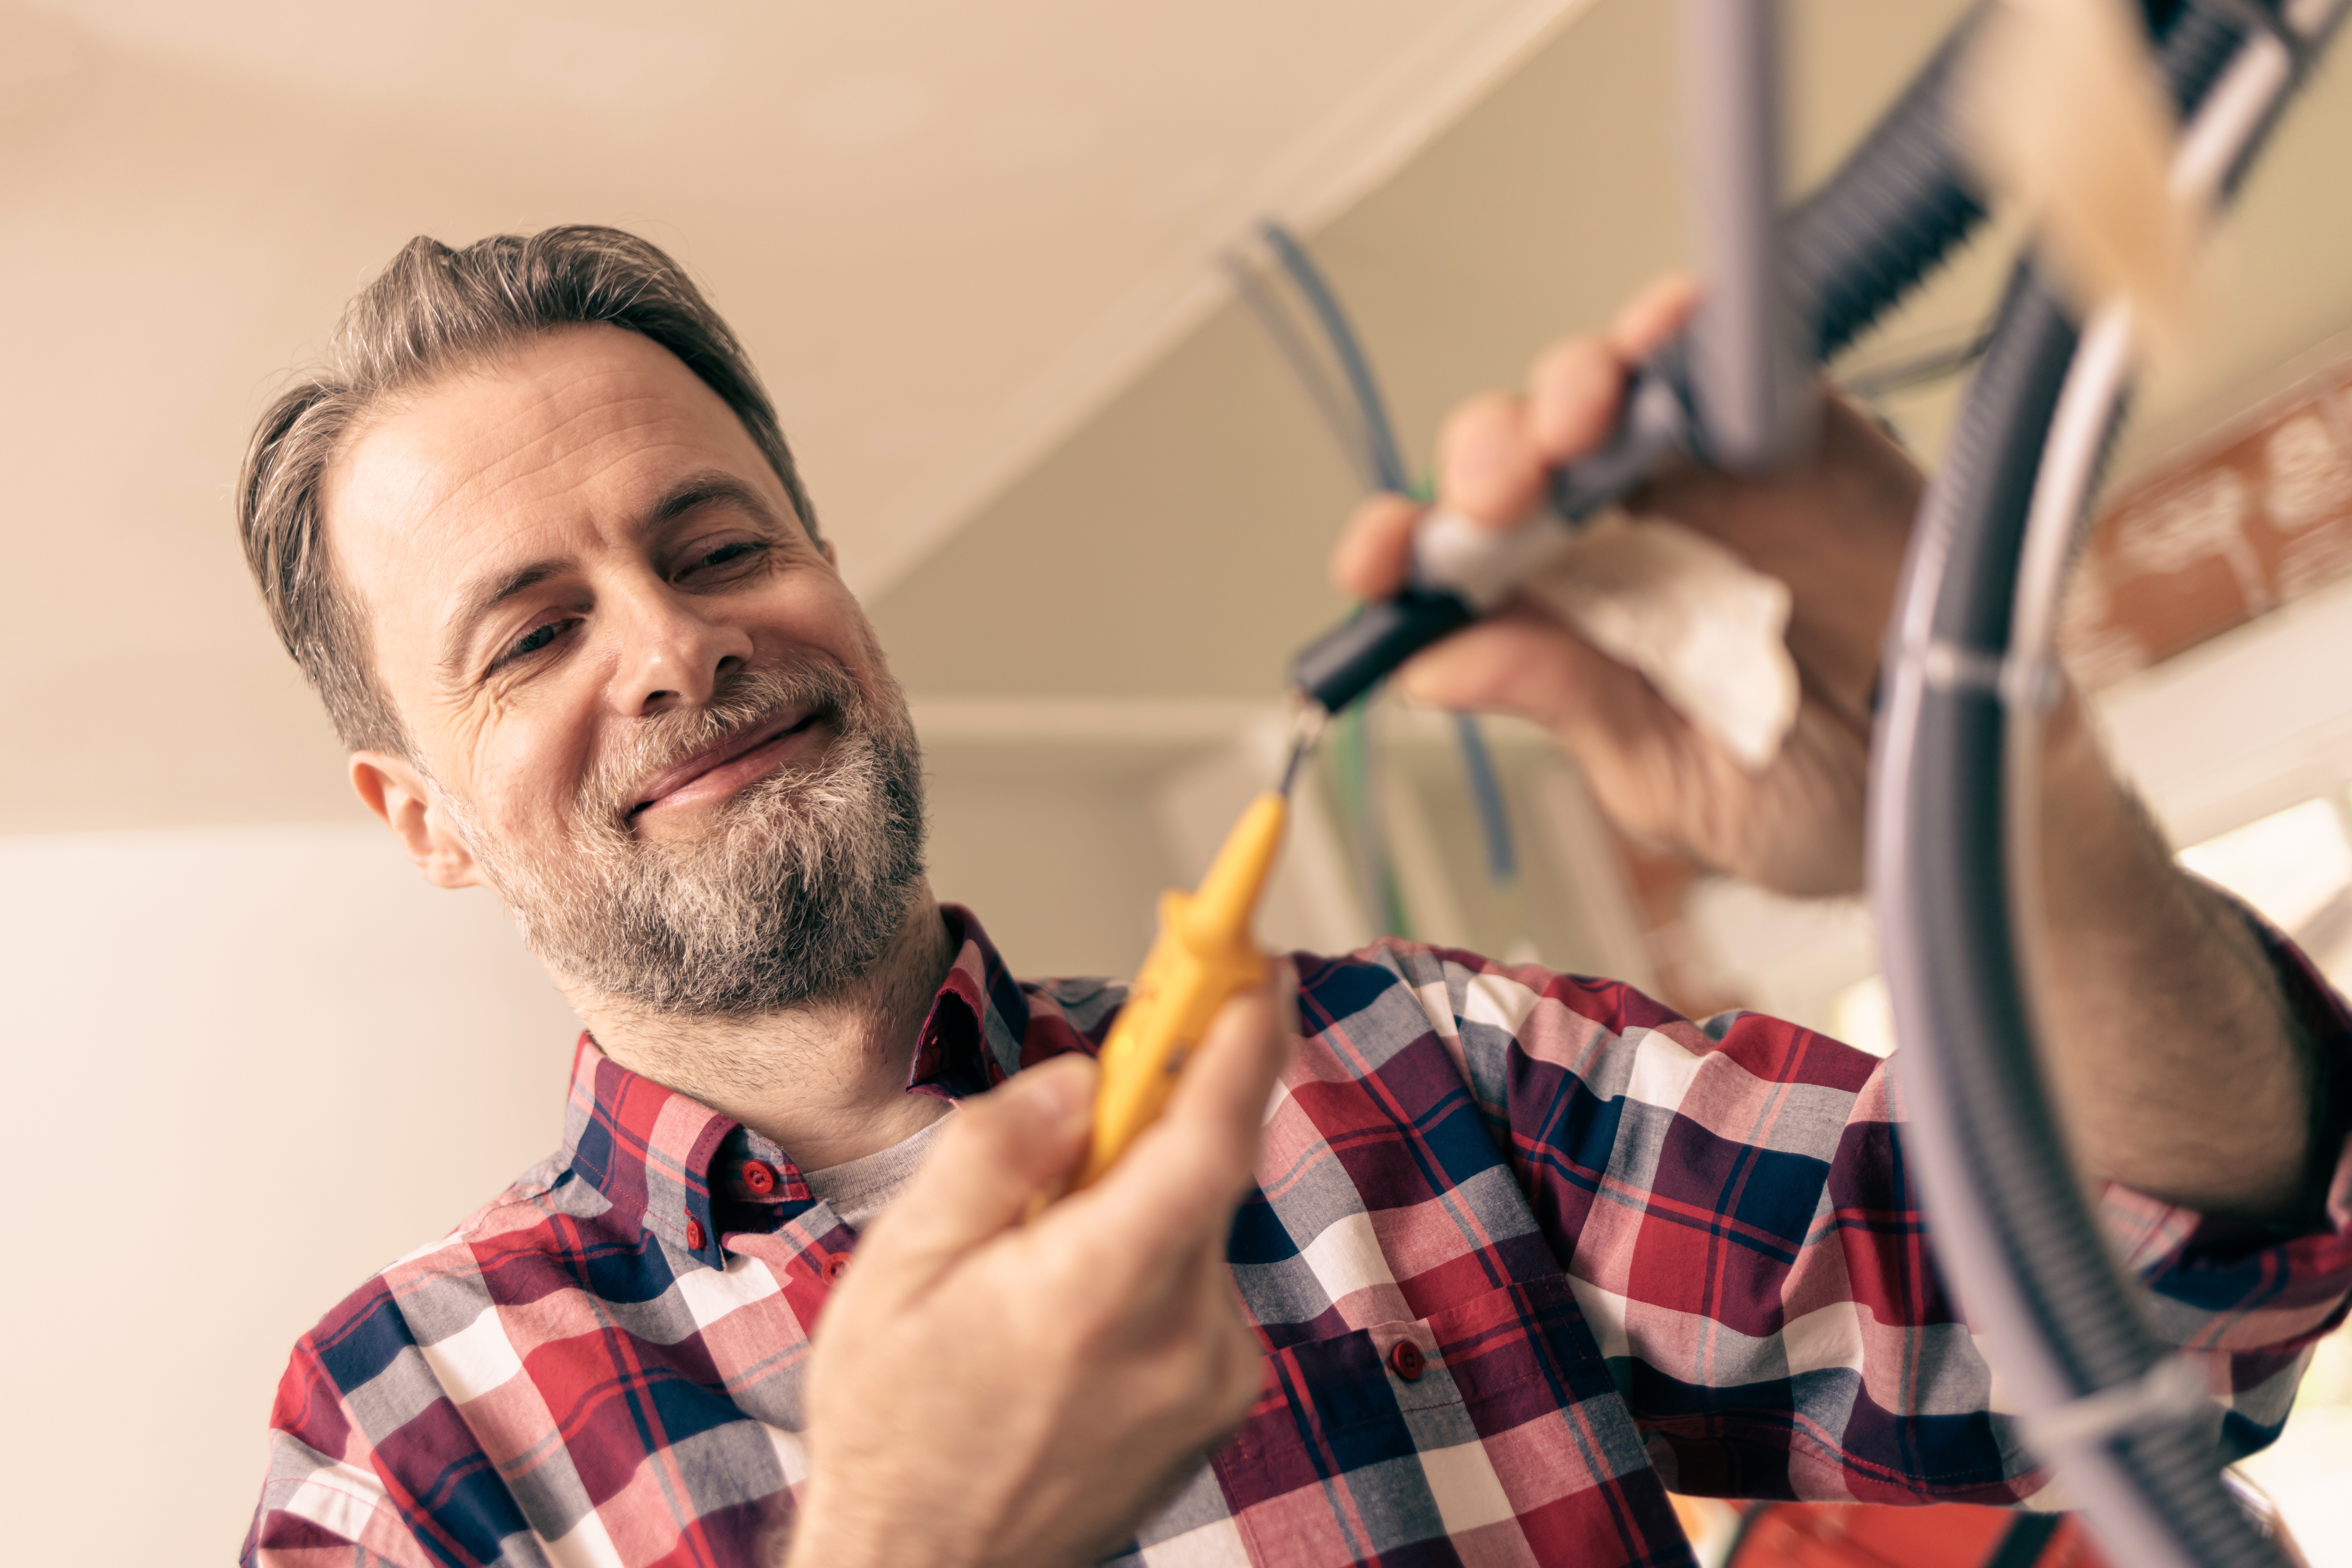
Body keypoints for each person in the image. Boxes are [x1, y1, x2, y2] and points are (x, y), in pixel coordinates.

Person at [239, 227, 2351, 1568]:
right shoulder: (404, 1434)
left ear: (838, 590)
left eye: (718, 548)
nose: (671, 646)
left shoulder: (1418, 1066)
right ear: (422, 820)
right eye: (532, 634)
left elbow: (2172, 1310)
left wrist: (2003, 795)